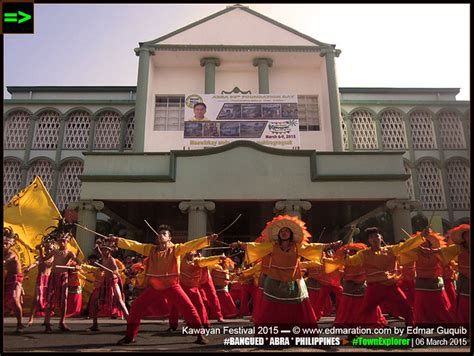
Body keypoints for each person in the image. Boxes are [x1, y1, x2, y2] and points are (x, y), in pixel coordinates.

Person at [107, 225, 218, 345]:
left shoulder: (176, 249)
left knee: (189, 308)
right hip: (154, 287)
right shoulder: (151, 249)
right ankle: (129, 337)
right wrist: (117, 240)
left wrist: (207, 239)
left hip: (172, 286)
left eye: (165, 233)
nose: (161, 235)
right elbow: (134, 245)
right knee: (136, 307)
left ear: (169, 237)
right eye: (160, 233)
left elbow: (191, 245)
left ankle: (200, 335)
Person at [231, 215, 342, 332]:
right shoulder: (272, 246)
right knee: (272, 308)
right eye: (282, 231)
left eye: (286, 231)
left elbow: (312, 247)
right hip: (274, 280)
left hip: (293, 281)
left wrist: (331, 245)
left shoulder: (297, 247)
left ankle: (297, 331)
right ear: (278, 234)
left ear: (291, 234)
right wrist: (239, 244)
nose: (284, 233)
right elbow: (256, 247)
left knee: (296, 307)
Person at [345, 227, 426, 327]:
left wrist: (421, 236)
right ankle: (353, 333)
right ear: (368, 240)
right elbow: (351, 262)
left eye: (376, 236)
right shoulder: (363, 254)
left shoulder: (391, 250)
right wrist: (346, 257)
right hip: (374, 288)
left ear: (381, 237)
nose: (374, 239)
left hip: (391, 286)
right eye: (371, 237)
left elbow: (406, 245)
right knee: (364, 311)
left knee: (407, 308)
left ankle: (413, 332)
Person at [332, 243, 387, 328]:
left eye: (354, 251)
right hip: (352, 286)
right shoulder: (350, 260)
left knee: (353, 305)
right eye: (351, 251)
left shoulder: (357, 260)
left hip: (357, 286)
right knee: (352, 305)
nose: (352, 253)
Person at [43, 232, 82, 333]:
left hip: (63, 276)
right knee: (50, 298)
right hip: (54, 276)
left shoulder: (69, 253)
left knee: (64, 299)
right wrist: (40, 250)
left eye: (64, 241)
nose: (62, 242)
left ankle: (62, 322)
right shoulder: (55, 252)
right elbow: (44, 258)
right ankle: (47, 323)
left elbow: (78, 261)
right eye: (60, 241)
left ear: (67, 242)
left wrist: (78, 266)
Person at [87, 240, 129, 331]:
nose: (103, 251)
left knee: (119, 300)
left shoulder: (111, 259)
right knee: (94, 302)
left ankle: (130, 321)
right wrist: (98, 244)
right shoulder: (103, 256)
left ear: (109, 251)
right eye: (103, 250)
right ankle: (95, 325)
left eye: (106, 250)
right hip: (105, 282)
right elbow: (96, 250)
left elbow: (116, 269)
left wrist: (114, 271)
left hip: (113, 281)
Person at [24, 241, 55, 326]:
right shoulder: (41, 257)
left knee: (49, 300)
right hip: (41, 279)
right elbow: (36, 263)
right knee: (36, 299)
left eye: (51, 249)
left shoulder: (54, 258)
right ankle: (30, 320)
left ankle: (46, 320)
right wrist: (29, 267)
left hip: (49, 280)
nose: (49, 250)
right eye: (47, 248)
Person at [446, 224, 470, 328]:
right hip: (464, 280)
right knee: (464, 303)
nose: (468, 237)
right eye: (466, 235)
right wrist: (432, 251)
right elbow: (444, 251)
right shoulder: (458, 248)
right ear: (463, 238)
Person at [3, 227, 25, 333]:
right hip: (7, 277)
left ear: (10, 244)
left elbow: (5, 261)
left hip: (16, 277)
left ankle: (20, 323)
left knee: (14, 298)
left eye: (6, 244)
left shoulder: (11, 253)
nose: (4, 245)